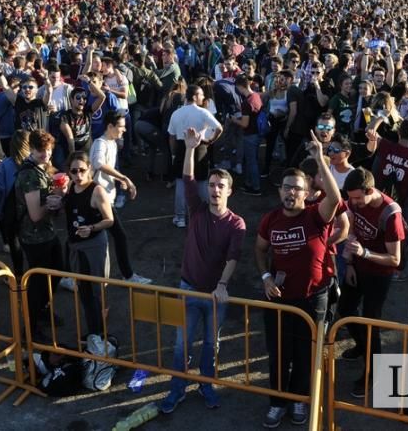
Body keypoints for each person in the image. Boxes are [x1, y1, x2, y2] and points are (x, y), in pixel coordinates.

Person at [255, 130, 340, 428]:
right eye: (286, 187)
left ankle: (299, 400)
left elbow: (336, 197)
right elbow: (260, 249)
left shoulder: (317, 216)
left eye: (297, 188)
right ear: (280, 191)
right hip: (278, 298)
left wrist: (320, 158)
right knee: (279, 354)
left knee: (306, 354)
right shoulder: (270, 219)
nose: (291, 192)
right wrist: (266, 276)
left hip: (312, 297)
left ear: (306, 193)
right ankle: (277, 402)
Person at [159, 126, 246, 414]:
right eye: (211, 185)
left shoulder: (237, 224)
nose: (215, 189)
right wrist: (190, 147)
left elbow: (233, 256)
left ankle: (206, 385)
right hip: (188, 288)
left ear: (229, 191)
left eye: (221, 186)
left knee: (212, 345)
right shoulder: (196, 208)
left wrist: (222, 285)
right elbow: (187, 178)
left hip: (215, 295)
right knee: (181, 346)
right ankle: (176, 390)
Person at [336, 168, 406, 399]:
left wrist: (364, 253)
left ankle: (373, 372)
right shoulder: (355, 202)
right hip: (358, 267)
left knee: (370, 322)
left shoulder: (390, 213)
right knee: (345, 310)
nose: (352, 202)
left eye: (357, 198)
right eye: (350, 197)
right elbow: (353, 227)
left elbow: (395, 259)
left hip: (379, 274)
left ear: (370, 190)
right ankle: (361, 346)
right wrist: (351, 263)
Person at [56, 151, 114, 336]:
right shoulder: (71, 186)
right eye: (74, 171)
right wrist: (57, 201)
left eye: (82, 170)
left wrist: (91, 228)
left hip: (94, 247)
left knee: (95, 292)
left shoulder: (96, 190)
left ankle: (99, 334)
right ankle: (93, 331)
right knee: (84, 292)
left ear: (89, 168)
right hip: (76, 247)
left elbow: (109, 220)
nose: (78, 175)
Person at [15, 129, 65, 338]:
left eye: (48, 150)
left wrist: (59, 196)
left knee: (56, 272)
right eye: (40, 151)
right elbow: (35, 214)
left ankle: (42, 310)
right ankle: (30, 328)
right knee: (37, 283)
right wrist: (53, 202)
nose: (45, 154)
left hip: (47, 234)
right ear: (32, 150)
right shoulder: (30, 174)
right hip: (34, 237)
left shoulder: (43, 169)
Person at [90, 111, 150, 284]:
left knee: (87, 236)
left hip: (104, 197)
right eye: (121, 127)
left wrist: (119, 180)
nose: (124, 130)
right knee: (119, 236)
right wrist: (124, 178)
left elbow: (107, 168)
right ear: (110, 126)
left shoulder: (113, 143)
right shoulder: (100, 143)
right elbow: (98, 164)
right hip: (99, 199)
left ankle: (70, 276)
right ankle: (128, 275)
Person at [166, 84, 223, 229]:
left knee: (181, 183)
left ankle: (180, 218)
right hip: (200, 149)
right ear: (194, 96)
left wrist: (173, 153)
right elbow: (219, 128)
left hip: (180, 149)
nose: (203, 97)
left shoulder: (176, 113)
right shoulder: (203, 113)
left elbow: (171, 137)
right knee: (202, 183)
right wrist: (210, 141)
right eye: (201, 95)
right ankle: (205, 215)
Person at [0, 130, 30, 276]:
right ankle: (34, 274)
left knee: (15, 244)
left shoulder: (5, 164)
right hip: (30, 210)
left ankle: (19, 275)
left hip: (10, 211)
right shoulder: (34, 163)